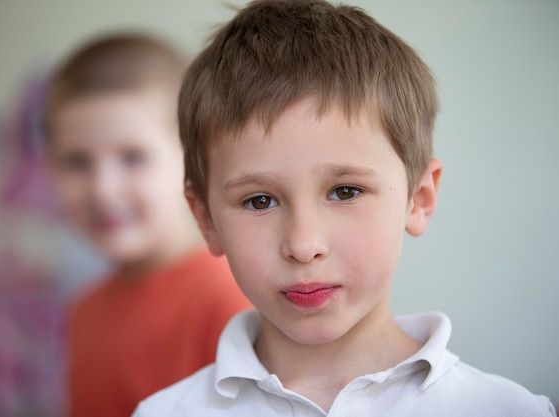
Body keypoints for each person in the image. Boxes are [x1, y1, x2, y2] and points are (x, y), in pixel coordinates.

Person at [131, 1, 556, 416]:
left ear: (420, 198)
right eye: (259, 201)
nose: (303, 245)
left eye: (345, 191)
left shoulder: (508, 409)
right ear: (206, 220)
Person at [43, 33, 252, 417]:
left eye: (133, 157)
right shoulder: (82, 312)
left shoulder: (230, 301)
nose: (103, 191)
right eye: (77, 162)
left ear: (192, 162)